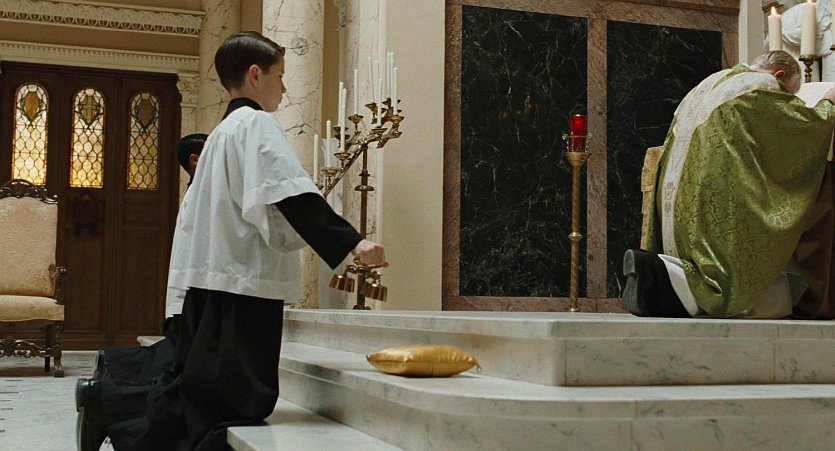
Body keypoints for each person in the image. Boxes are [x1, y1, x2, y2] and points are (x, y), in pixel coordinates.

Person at [98, 31, 387, 450]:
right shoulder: (256, 124)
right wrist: (352, 243)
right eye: (280, 75)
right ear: (255, 74)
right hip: (242, 283)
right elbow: (290, 193)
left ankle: (109, 408)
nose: (284, 87)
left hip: (213, 279)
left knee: (205, 395)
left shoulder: (222, 132)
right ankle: (112, 410)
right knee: (235, 402)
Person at [622, 50, 835, 319]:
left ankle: (662, 273)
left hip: (681, 200)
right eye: (790, 94)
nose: (788, 99)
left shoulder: (711, 82)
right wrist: (828, 105)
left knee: (702, 261)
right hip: (718, 196)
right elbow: (800, 128)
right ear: (779, 75)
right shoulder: (762, 86)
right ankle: (674, 280)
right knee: (742, 291)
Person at [75, 133, 209, 451]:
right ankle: (106, 396)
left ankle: (112, 371)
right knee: (185, 375)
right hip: (198, 295)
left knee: (180, 369)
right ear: (195, 159)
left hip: (194, 294)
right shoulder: (202, 192)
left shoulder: (201, 190)